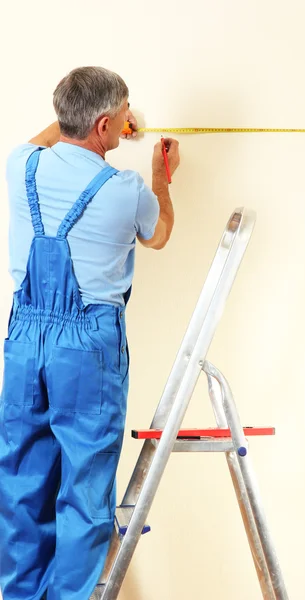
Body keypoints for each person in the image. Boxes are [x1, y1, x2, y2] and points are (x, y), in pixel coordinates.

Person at [0, 66, 180, 600]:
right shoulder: (124, 190)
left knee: (21, 480)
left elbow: (54, 133)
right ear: (105, 124)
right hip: (86, 347)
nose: (130, 120)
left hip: (25, 339)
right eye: (124, 113)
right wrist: (162, 175)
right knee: (82, 491)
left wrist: (96, 120)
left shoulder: (20, 166)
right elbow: (160, 236)